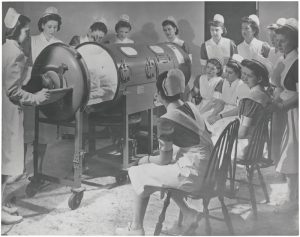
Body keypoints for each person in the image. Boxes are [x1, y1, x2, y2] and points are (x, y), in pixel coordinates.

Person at [115, 69, 213, 235]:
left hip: (194, 174)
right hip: (210, 167)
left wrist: (145, 159)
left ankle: (136, 229)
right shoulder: (190, 106)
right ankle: (189, 213)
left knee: (138, 172)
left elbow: (164, 160)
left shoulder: (166, 120)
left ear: (159, 93)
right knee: (161, 172)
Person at [2, 8, 50, 224]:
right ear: (17, 31)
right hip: (8, 112)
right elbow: (13, 91)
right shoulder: (16, 53)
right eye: (25, 30)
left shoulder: (4, 48)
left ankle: (1, 202)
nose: (27, 34)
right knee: (4, 163)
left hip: (4, 109)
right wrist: (37, 97)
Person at [208, 59, 272, 156]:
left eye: (249, 76)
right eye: (243, 74)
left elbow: (242, 133)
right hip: (259, 144)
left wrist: (222, 134)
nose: (244, 78)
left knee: (209, 144)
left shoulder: (250, 100)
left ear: (259, 79)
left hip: (249, 149)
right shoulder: (262, 93)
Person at [271, 18, 298, 212]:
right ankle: (292, 196)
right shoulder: (285, 60)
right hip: (286, 111)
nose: (279, 44)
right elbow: (278, 84)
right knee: (290, 155)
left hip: (294, 113)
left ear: (295, 40)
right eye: (277, 40)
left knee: (293, 154)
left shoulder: (297, 62)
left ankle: (293, 199)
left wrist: (281, 105)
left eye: (283, 40)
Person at [206, 54, 250, 140]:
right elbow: (221, 102)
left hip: (235, 116)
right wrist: (213, 114)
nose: (226, 75)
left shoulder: (242, 86)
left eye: (230, 73)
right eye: (226, 71)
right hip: (223, 111)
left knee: (219, 134)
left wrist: (219, 117)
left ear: (238, 74)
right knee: (207, 123)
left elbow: (240, 109)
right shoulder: (225, 82)